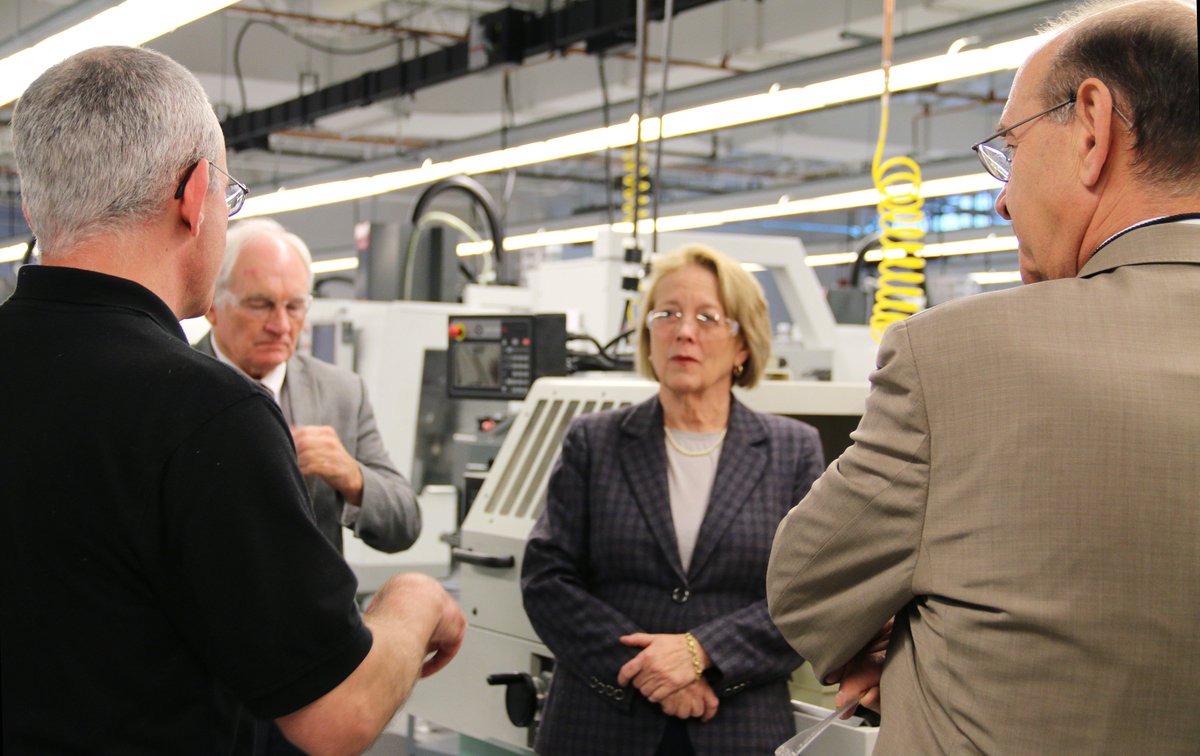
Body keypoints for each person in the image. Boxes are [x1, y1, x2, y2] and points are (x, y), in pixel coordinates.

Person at [0, 46, 464, 755]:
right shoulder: (204, 412)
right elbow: (335, 714)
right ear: (193, 197)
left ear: (34, 206)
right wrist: (414, 601)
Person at [767, 1, 1200, 752]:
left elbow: (806, 587)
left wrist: (918, 627)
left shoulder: (958, 359)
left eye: (1009, 150)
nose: (1000, 198)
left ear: (1093, 126)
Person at [522, 243, 826, 755]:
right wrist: (650, 671)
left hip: (735, 724)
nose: (684, 331)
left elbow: (809, 595)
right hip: (600, 721)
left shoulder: (792, 450)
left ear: (742, 345)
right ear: (649, 334)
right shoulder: (593, 442)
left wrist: (702, 652)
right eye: (667, 314)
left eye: (708, 317)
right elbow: (547, 579)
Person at [196, 218, 420, 555]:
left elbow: (405, 523)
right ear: (212, 305)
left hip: (311, 606)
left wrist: (353, 478)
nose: (281, 325)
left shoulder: (341, 394)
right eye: (261, 305)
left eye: (295, 306)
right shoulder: (168, 386)